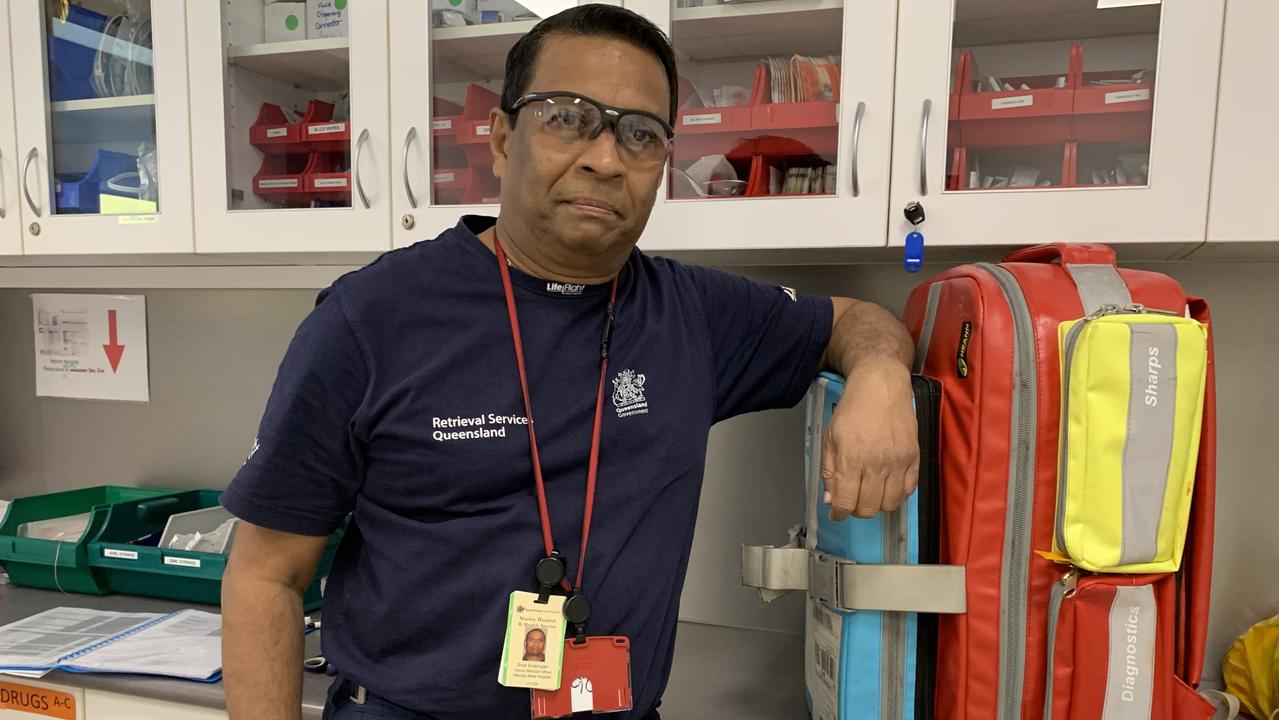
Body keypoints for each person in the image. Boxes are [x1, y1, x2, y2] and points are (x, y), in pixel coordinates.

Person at [220, 5, 919, 719]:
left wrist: (881, 377)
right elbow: (265, 574)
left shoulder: (693, 313)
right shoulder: (370, 318)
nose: (604, 158)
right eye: (565, 117)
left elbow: (859, 323)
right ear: (499, 138)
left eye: (639, 135)